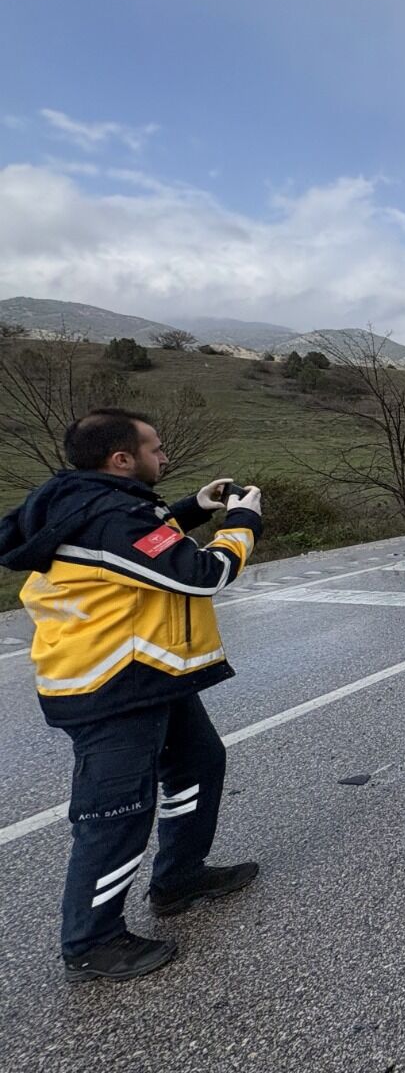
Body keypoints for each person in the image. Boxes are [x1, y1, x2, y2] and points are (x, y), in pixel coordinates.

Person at [0, 408, 263, 982]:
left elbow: (146, 536)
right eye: (155, 448)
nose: (164, 456)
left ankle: (179, 877)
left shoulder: (91, 502)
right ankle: (91, 941)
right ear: (122, 459)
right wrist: (242, 522)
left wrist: (195, 505)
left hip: (149, 672)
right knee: (115, 813)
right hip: (111, 685)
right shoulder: (108, 517)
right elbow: (200, 572)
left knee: (199, 763)